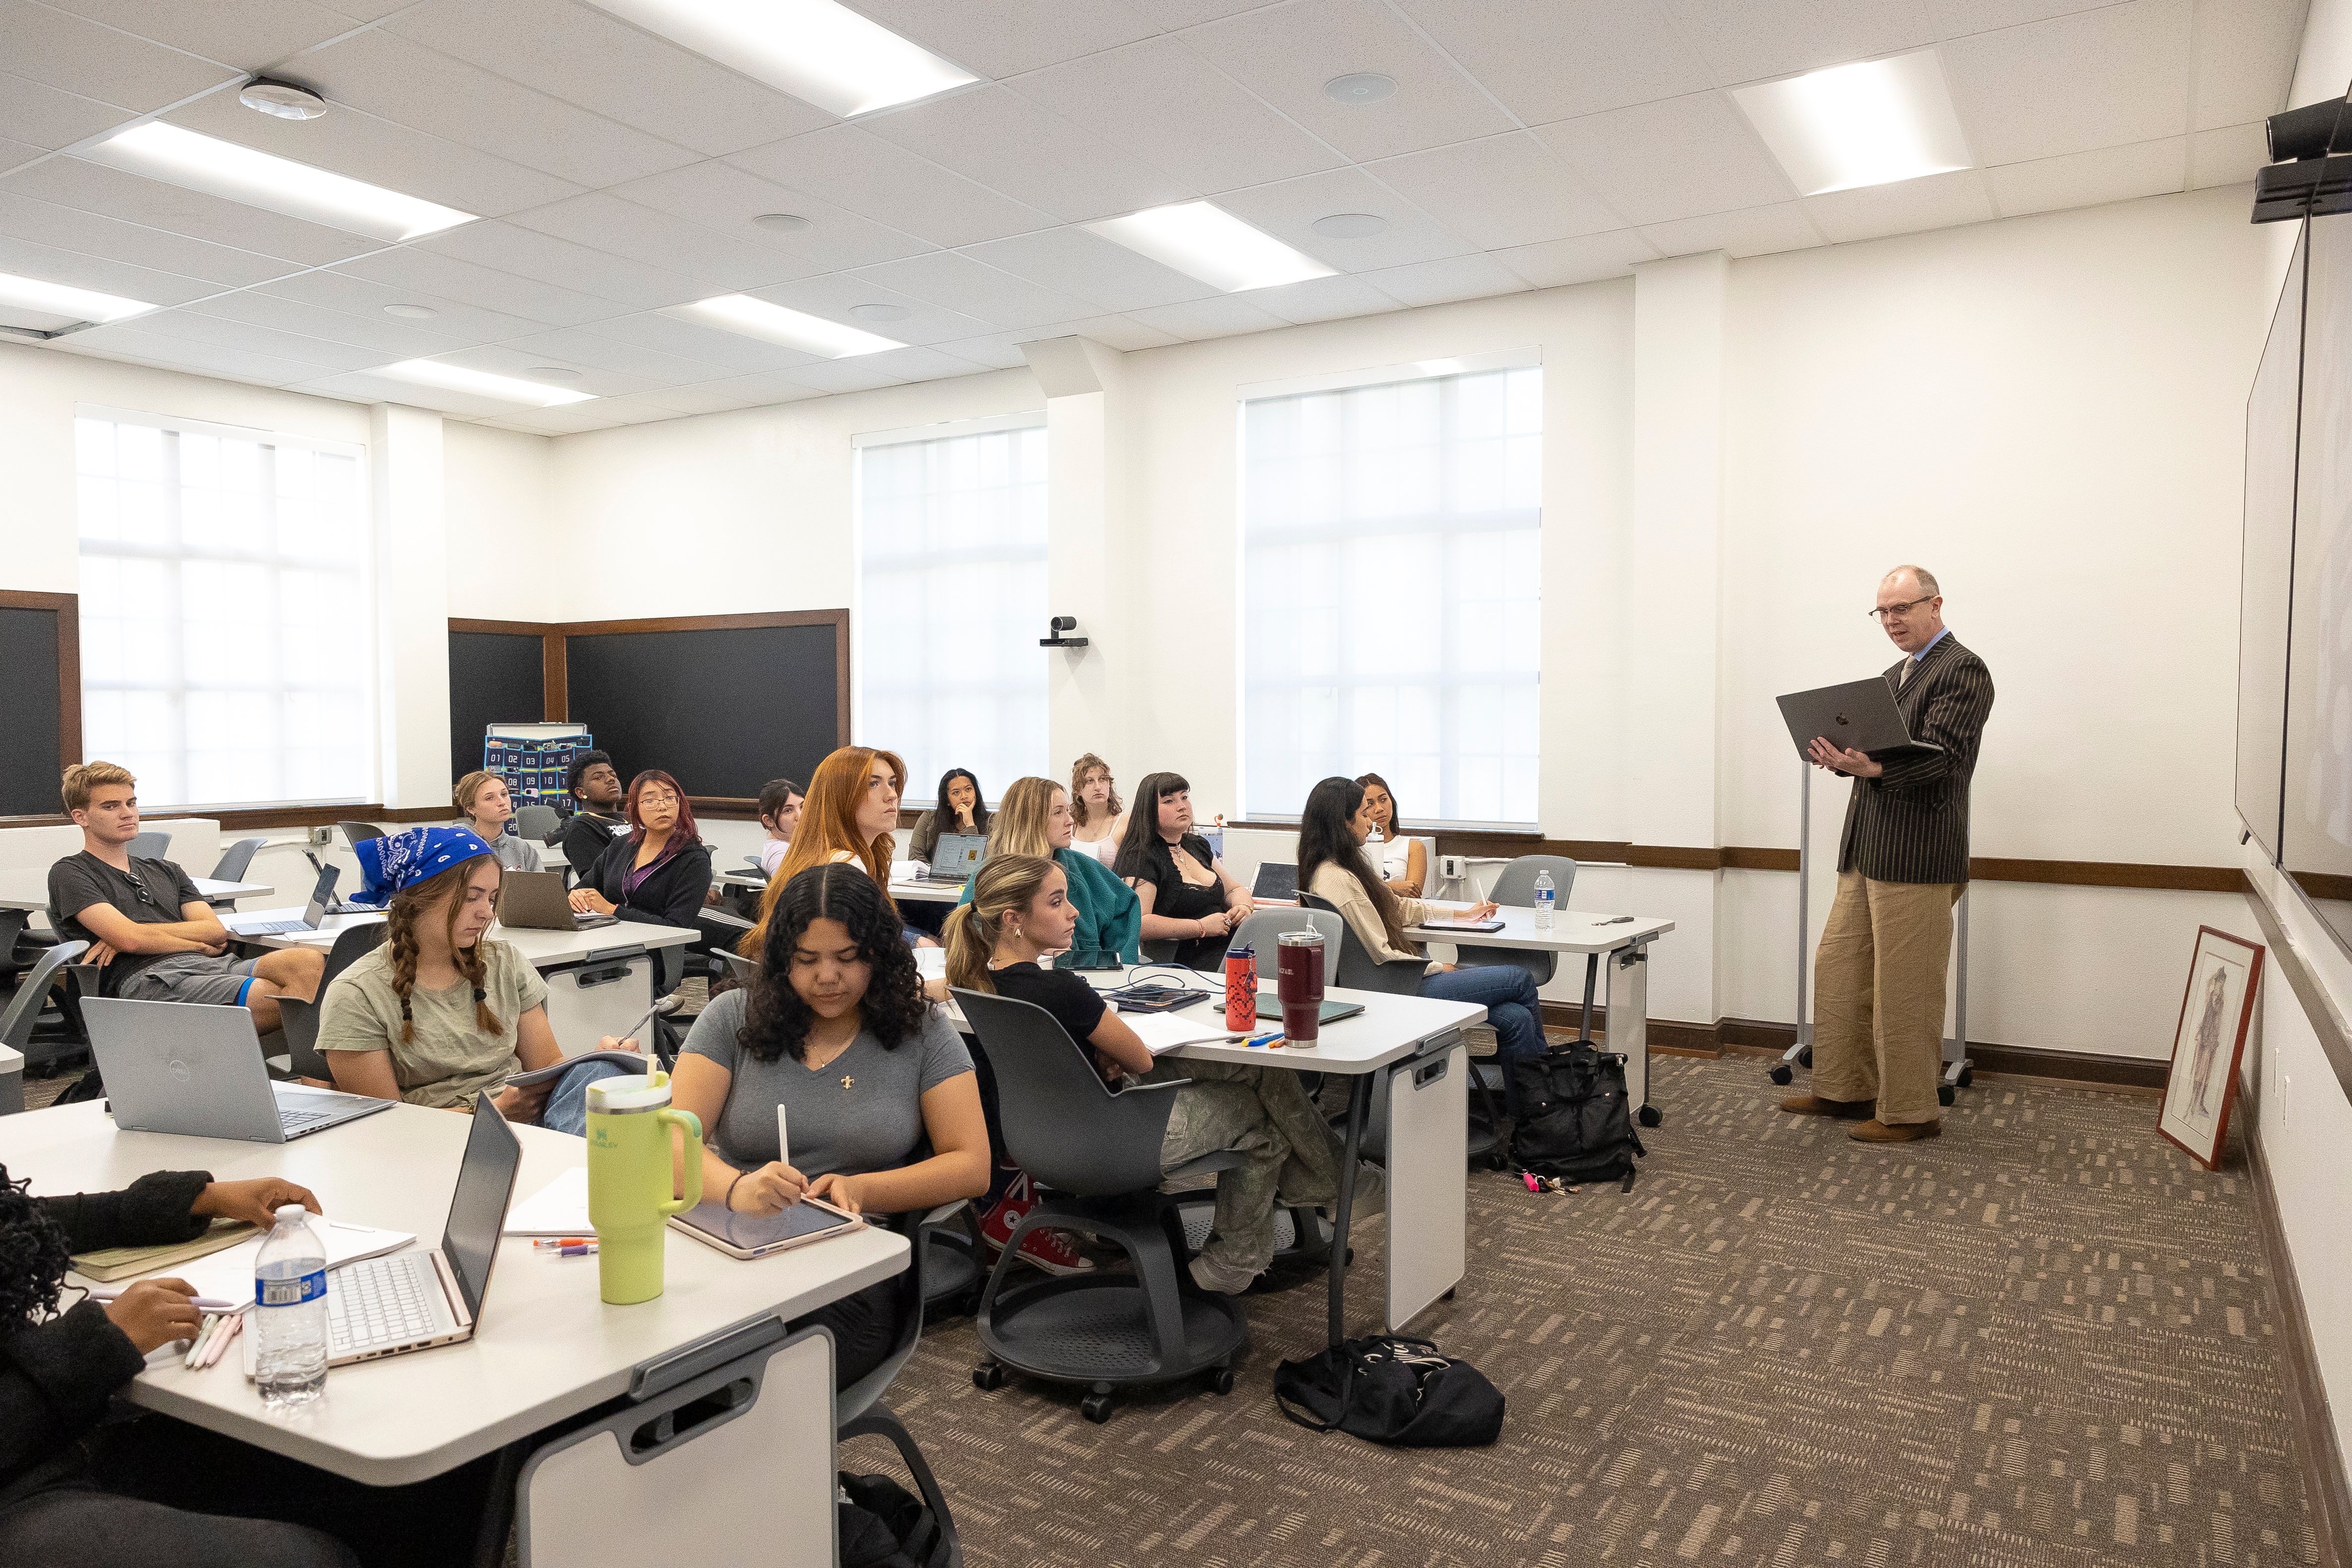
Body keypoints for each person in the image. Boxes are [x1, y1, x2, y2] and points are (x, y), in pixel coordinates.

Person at [0, 1167, 497, 1567]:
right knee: (304, 1558)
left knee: (433, 1475)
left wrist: (203, 1200)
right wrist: (93, 1346)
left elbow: (26, 1220)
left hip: (49, 1432)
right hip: (21, 1483)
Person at [947, 855, 1374, 1294]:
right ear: (1014, 920)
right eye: (1057, 902)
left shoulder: (973, 982)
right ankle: (1253, 1246)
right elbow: (1141, 1060)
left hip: (1040, 1140)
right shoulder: (1061, 989)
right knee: (1261, 1123)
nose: (1074, 911)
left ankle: (1331, 1189)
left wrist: (1097, 1048)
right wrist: (1107, 1046)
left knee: (1257, 1075)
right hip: (1116, 1138)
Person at [672, 865, 988, 1388]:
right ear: (781, 961)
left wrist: (862, 1188)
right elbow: (672, 1147)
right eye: (806, 960)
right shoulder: (733, 1017)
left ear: (880, 956)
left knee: (737, 1374)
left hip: (850, 1270)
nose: (827, 977)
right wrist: (739, 1188)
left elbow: (972, 1165)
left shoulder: (923, 1031)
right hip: (730, 1242)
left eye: (848, 958)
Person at [1785, 566, 1993, 1144]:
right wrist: (1842, 756)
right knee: (1840, 969)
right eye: (1883, 611)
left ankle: (1910, 1113)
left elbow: (1946, 759)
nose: (1893, 620)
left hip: (1918, 855)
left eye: (1904, 608)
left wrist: (1871, 766)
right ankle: (1844, 1089)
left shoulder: (1963, 669)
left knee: (1906, 986)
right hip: (1866, 848)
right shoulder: (1891, 675)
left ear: (1936, 604)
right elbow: (1881, 752)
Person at [318, 828, 641, 1134]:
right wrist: (491, 1112)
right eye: (472, 897)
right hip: (437, 1142)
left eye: (491, 898)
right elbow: (385, 1126)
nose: (487, 913)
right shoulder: (356, 994)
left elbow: (547, 1064)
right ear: (419, 898)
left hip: (525, 1118)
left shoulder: (504, 961)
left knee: (607, 1076)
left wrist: (595, 1061)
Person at [1296, 777, 1554, 1116]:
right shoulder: (1338, 881)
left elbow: (1399, 908)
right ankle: (1547, 1106)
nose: (1370, 819)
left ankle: (1534, 1116)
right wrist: (1436, 967)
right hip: (1396, 989)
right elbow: (1382, 955)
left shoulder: (1342, 868)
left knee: (1516, 1017)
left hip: (1396, 983)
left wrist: (1462, 914)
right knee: (1519, 980)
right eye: (1362, 812)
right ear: (1343, 823)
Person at [45, 762, 323, 1033]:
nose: (127, 813)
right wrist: (193, 944)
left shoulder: (167, 870)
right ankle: (299, 1076)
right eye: (111, 806)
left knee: (306, 962)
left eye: (131, 803)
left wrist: (138, 935)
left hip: (210, 965)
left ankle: (306, 1077)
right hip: (149, 978)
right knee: (281, 998)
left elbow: (213, 931)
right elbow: (129, 939)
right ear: (81, 817)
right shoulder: (70, 872)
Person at [743, 747, 928, 955]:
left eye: (892, 783)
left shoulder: (830, 852)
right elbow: (857, 962)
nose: (892, 795)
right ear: (840, 796)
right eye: (873, 784)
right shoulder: (844, 864)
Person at [967, 777, 1141, 967]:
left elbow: (1126, 907)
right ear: (1030, 820)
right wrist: (1032, 943)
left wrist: (1119, 965)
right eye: (1058, 813)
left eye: (1068, 811)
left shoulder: (1083, 868)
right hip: (1012, 973)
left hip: (1089, 976)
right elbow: (967, 930)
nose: (1070, 820)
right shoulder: (989, 874)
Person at [1114, 772, 1252, 969]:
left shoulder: (1197, 846)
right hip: (1184, 960)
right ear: (1149, 811)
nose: (1182, 806)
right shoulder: (1141, 856)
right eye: (1169, 801)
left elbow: (1233, 890)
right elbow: (1140, 922)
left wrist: (1243, 908)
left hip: (1228, 949)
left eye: (1185, 797)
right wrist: (1201, 927)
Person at [569, 770, 714, 935]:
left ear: (679, 803)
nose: (662, 806)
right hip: (605, 937)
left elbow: (677, 927)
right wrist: (575, 897)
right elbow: (581, 888)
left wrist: (612, 911)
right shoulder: (621, 846)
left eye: (669, 798)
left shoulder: (694, 859)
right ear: (635, 809)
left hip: (651, 949)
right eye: (650, 800)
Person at [451, 770, 542, 873]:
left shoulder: (523, 849)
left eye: (504, 794)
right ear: (471, 808)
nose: (502, 802)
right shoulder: (457, 844)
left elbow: (543, 888)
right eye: (489, 798)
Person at [553, 750, 626, 877]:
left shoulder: (632, 817)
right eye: (598, 777)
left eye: (613, 775)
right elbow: (601, 881)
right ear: (581, 793)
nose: (610, 779)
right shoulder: (582, 828)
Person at [1355, 773, 1426, 897]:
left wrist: (1372, 888)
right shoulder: (1354, 848)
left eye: (1383, 800)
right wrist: (1392, 887)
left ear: (1392, 801)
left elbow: (1412, 896)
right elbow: (1353, 892)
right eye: (1370, 804)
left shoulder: (1413, 847)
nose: (1379, 809)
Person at [907, 768, 987, 867]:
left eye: (968, 789)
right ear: (947, 800)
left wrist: (970, 825)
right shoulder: (929, 818)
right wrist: (935, 872)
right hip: (934, 880)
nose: (964, 796)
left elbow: (976, 864)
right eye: (956, 793)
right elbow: (915, 857)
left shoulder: (990, 821)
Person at [1068, 753, 1125, 867]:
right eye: (1090, 781)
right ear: (1078, 790)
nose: (1098, 787)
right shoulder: (1070, 824)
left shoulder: (1125, 822)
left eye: (1102, 779)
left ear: (1109, 785)